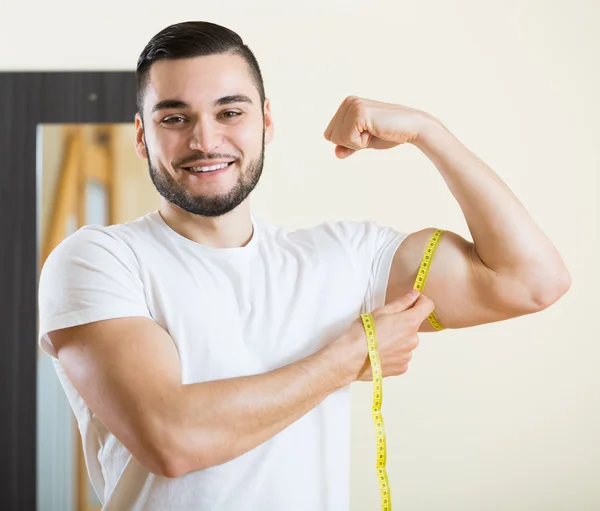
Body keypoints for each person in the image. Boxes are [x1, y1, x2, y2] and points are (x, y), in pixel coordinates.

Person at [37, 20, 571, 511]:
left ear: (266, 121)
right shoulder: (97, 261)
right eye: (175, 118)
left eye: (230, 111)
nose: (204, 139)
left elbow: (530, 282)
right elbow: (172, 438)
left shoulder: (346, 259)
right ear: (140, 134)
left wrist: (429, 132)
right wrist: (351, 355)